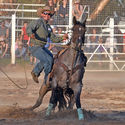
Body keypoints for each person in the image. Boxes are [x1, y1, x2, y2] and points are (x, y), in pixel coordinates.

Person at [26, 6, 62, 84]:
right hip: (34, 46)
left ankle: (35, 72)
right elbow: (29, 28)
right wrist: (31, 34)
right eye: (45, 13)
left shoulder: (48, 27)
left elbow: (54, 38)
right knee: (47, 60)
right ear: (42, 14)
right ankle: (47, 80)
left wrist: (63, 38)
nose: (47, 15)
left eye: (49, 14)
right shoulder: (38, 22)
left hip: (41, 47)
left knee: (50, 58)